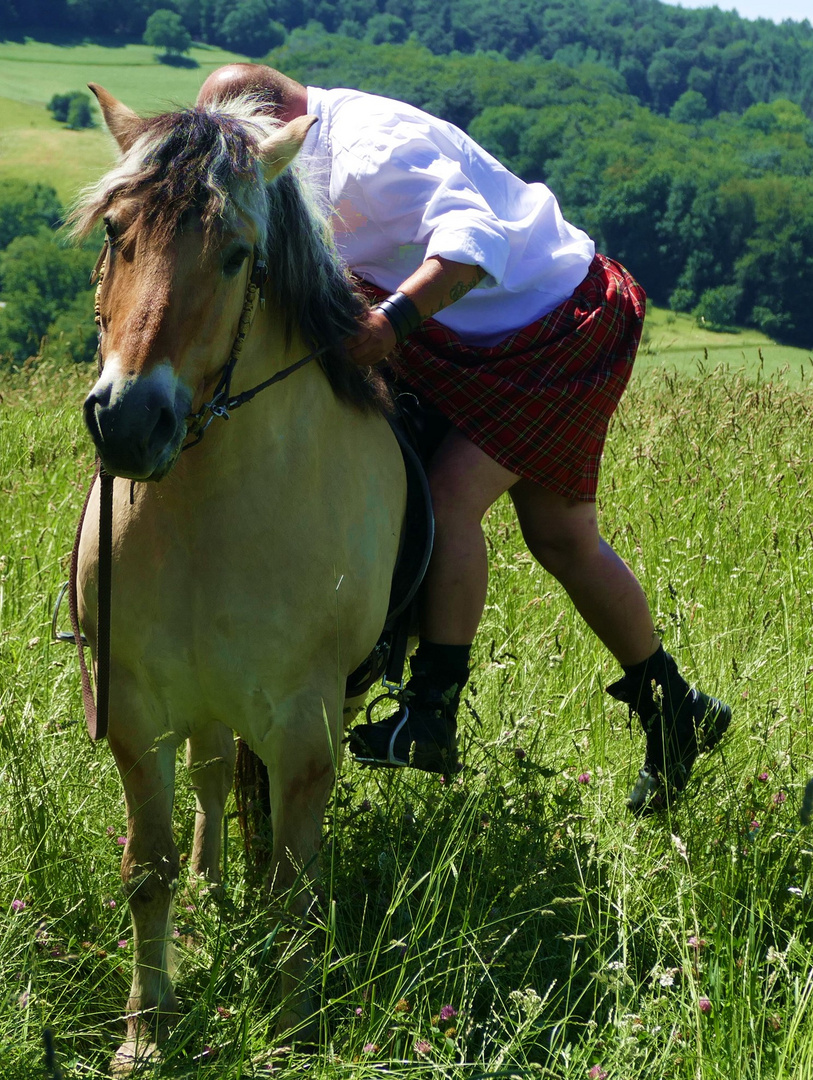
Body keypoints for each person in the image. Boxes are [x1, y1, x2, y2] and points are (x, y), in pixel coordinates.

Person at [196, 64, 731, 814]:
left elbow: (471, 245)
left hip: (556, 326)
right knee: (562, 538)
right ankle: (676, 711)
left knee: (449, 500)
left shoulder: (367, 156)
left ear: (273, 124)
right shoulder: (313, 144)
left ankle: (431, 714)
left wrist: (388, 327)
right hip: (503, 326)